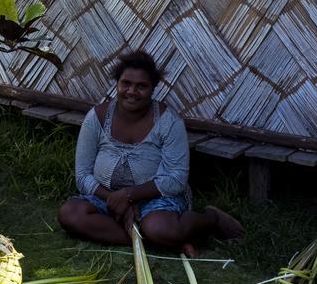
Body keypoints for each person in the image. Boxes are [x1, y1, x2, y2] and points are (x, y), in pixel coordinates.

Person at [57, 50, 243, 256]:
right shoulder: (97, 117)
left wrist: (129, 196)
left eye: (141, 86)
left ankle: (211, 219)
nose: (132, 91)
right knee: (70, 214)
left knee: (160, 228)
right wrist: (116, 200)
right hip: (107, 197)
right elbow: (83, 176)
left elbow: (176, 179)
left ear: (153, 88)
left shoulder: (169, 122)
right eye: (125, 83)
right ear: (116, 84)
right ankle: (158, 242)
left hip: (156, 198)